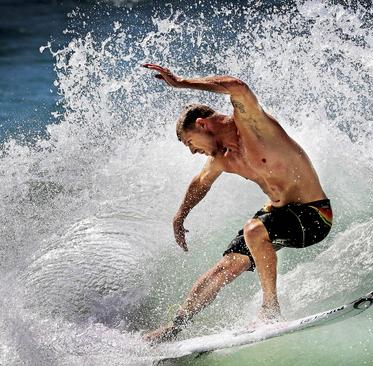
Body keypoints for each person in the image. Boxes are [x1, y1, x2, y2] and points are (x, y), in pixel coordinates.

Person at [142, 64, 333, 343]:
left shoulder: (252, 125)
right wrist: (179, 216)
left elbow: (237, 86)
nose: (193, 151)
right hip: (278, 214)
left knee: (254, 229)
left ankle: (270, 310)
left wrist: (182, 82)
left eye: (189, 143)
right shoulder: (223, 157)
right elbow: (200, 183)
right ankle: (173, 328)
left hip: (315, 215)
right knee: (224, 267)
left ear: (202, 124)